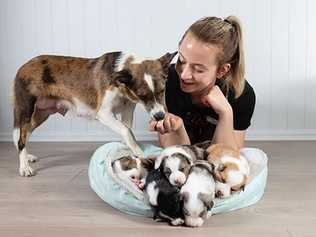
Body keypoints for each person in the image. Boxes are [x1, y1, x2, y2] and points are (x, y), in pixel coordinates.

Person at [149, 16, 256, 150]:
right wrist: (178, 127)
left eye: (198, 69)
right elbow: (174, 154)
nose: (184, 75)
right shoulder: (165, 82)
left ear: (222, 70)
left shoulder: (242, 94)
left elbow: (228, 157)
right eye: (181, 61)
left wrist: (225, 113)